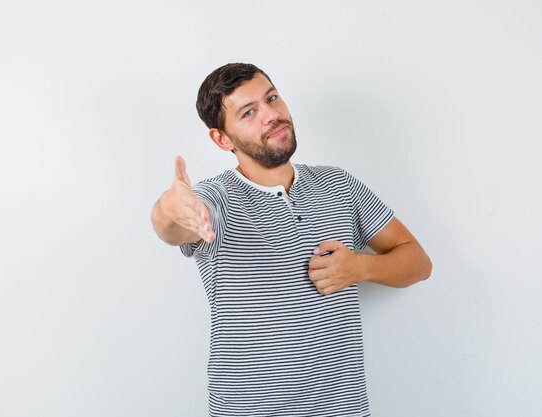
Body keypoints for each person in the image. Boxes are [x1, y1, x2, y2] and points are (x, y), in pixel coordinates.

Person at [150, 63, 432, 417]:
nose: (271, 115)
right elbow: (171, 227)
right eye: (249, 112)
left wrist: (359, 266)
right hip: (248, 409)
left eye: (272, 98)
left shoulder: (339, 185)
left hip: (341, 407)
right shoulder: (214, 199)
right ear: (222, 139)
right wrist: (169, 208)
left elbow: (419, 263)